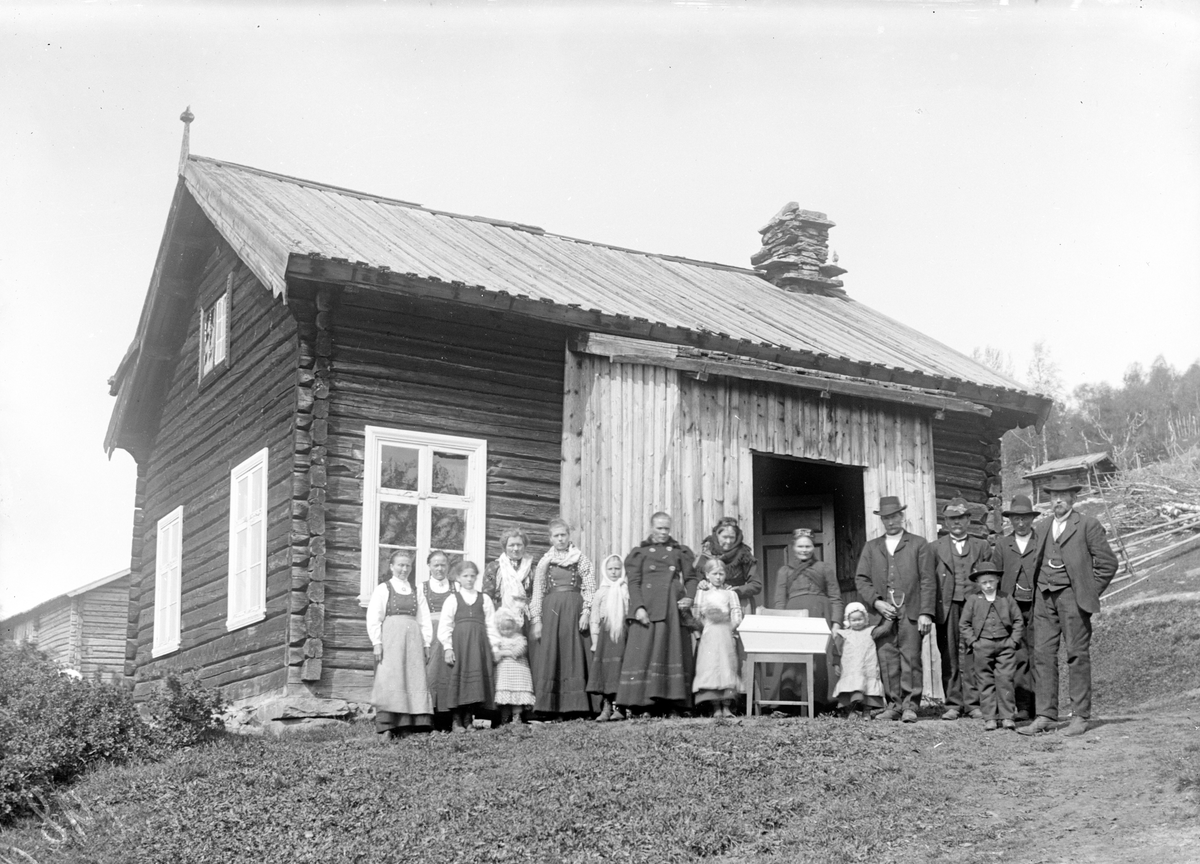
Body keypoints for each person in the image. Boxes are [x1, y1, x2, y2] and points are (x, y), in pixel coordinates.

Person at [1019, 476, 1118, 737]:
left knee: (1076, 655)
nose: (1058, 500)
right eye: (1053, 496)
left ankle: (1080, 717)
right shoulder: (1041, 526)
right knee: (1042, 656)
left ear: (1074, 498)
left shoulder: (1088, 525)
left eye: (1063, 496)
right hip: (1043, 598)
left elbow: (1108, 564)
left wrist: (1086, 592)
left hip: (1072, 599)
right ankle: (1045, 716)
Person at [854, 496, 935, 723]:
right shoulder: (872, 547)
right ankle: (894, 705)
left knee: (911, 658)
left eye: (894, 516)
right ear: (881, 520)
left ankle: (910, 706)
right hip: (883, 614)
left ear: (902, 516)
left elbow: (928, 581)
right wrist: (877, 602)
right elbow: (861, 579)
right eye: (886, 518)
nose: (890, 522)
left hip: (911, 611)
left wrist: (925, 612)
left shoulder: (919, 544)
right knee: (887, 659)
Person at [617, 512, 698, 715]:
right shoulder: (640, 553)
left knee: (671, 652)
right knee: (644, 653)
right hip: (648, 606)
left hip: (672, 609)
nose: (663, 532)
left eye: (666, 529)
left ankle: (673, 705)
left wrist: (690, 597)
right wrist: (638, 607)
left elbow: (691, 578)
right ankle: (643, 705)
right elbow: (634, 583)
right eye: (659, 528)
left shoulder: (680, 552)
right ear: (652, 528)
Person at [931, 498, 994, 721]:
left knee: (973, 653)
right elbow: (929, 581)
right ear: (946, 523)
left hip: (973, 607)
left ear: (968, 520)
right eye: (951, 519)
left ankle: (973, 703)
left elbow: (989, 578)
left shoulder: (982, 546)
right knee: (948, 653)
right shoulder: (935, 548)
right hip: (947, 607)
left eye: (960, 518)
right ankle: (953, 704)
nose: (956, 522)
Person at [530, 518, 596, 718]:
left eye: (563, 535)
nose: (560, 539)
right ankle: (553, 707)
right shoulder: (545, 562)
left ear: (569, 536)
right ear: (550, 539)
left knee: (574, 653)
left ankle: (578, 706)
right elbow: (538, 592)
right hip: (553, 611)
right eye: (556, 536)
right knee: (555, 654)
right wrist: (537, 619)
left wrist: (586, 611)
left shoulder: (580, 558)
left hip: (575, 609)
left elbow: (590, 586)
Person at [772, 528, 844, 711]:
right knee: (792, 657)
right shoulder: (785, 571)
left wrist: (836, 622)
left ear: (814, 547)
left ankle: (821, 703)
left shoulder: (824, 568)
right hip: (793, 617)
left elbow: (835, 597)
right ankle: (789, 704)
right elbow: (780, 600)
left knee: (821, 659)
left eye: (808, 546)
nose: (804, 550)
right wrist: (781, 621)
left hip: (820, 615)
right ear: (793, 547)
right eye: (800, 546)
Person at [366, 550, 434, 739]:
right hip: (391, 637)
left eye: (408, 566)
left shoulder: (416, 590)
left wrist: (426, 643)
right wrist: (377, 642)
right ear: (392, 567)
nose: (404, 569)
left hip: (413, 638)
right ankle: (387, 726)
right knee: (392, 677)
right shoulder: (383, 588)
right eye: (400, 565)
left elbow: (424, 618)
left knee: (412, 677)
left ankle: (409, 726)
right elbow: (374, 616)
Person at [959, 564, 1024, 731]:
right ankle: (990, 717)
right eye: (984, 583)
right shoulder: (973, 600)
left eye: (991, 581)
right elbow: (964, 624)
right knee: (985, 681)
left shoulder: (1006, 598)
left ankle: (1007, 716)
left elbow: (1018, 621)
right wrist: (974, 642)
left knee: (1005, 680)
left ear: (997, 580)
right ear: (978, 584)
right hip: (983, 646)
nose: (988, 586)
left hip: (1005, 645)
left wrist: (1013, 641)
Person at [993, 494, 1040, 720]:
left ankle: (1043, 708)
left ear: (1031, 518)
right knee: (1019, 655)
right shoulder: (1003, 545)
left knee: (1040, 653)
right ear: (1010, 520)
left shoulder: (1041, 541)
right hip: (1013, 608)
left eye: (1025, 518)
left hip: (1038, 606)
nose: (1021, 523)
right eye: (1016, 519)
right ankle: (1023, 706)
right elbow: (996, 578)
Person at [438, 560, 499, 732]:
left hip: (479, 646)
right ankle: (456, 721)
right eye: (465, 576)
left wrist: (494, 648)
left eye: (473, 576)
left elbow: (491, 625)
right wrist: (448, 647)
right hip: (460, 645)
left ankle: (468, 720)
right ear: (458, 578)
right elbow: (445, 625)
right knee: (458, 679)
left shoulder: (484, 598)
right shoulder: (452, 599)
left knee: (475, 683)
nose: (470, 579)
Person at [691, 558, 744, 718]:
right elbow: (696, 614)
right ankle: (715, 707)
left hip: (725, 634)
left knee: (726, 666)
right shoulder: (702, 594)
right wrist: (706, 623)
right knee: (712, 666)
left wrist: (730, 625)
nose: (718, 577)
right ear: (707, 575)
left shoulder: (730, 594)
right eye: (714, 574)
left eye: (721, 573)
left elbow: (737, 613)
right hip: (709, 634)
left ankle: (726, 706)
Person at [588, 554, 629, 722]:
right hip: (606, 635)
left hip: (622, 632)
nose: (614, 572)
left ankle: (620, 707)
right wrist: (595, 640)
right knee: (606, 670)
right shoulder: (601, 592)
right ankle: (606, 707)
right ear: (605, 570)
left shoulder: (626, 589)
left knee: (620, 668)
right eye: (610, 569)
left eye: (617, 569)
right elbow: (595, 617)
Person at [694, 517, 762, 615]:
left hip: (739, 604)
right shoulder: (707, 554)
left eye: (732, 537)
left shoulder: (744, 554)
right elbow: (695, 579)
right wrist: (701, 583)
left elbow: (756, 585)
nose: (729, 541)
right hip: (712, 604)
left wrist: (738, 590)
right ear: (717, 536)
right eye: (725, 537)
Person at [832, 601, 888, 719]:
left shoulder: (871, 631)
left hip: (867, 666)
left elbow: (883, 631)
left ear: (865, 618)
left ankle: (866, 712)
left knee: (868, 689)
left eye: (860, 619)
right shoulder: (844, 634)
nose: (857, 623)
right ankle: (851, 711)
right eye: (854, 620)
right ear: (848, 620)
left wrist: (889, 619)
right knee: (851, 689)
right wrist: (836, 664)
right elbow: (836, 651)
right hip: (851, 668)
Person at [423, 550, 456, 729]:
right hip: (431, 637)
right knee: (431, 674)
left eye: (443, 564)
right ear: (429, 566)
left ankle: (449, 718)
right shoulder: (422, 588)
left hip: (450, 635)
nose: (440, 568)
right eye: (436, 564)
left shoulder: (456, 587)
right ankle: (430, 719)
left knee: (449, 674)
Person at [492, 607, 535, 724]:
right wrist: (500, 653)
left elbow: (518, 652)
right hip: (504, 675)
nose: (507, 632)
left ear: (514, 627)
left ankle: (517, 717)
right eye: (504, 629)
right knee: (505, 698)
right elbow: (495, 656)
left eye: (509, 629)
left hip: (518, 672)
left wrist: (503, 653)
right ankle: (504, 719)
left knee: (517, 697)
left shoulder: (520, 639)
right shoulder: (498, 640)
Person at [484, 528, 535, 620]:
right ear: (504, 547)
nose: (515, 549)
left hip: (525, 616)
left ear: (524, 546)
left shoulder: (531, 569)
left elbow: (535, 596)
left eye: (519, 545)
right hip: (499, 615)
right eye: (511, 545)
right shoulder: (493, 568)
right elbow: (487, 595)